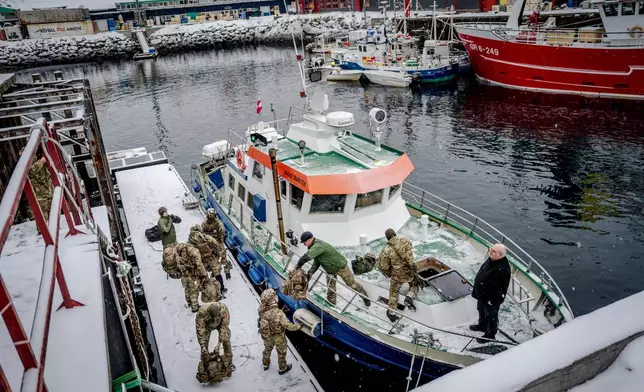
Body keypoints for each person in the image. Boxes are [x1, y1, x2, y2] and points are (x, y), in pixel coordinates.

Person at [294, 231, 370, 307]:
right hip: (330, 270)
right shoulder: (314, 247)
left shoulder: (318, 246)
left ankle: (365, 296)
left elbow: (304, 259)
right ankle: (332, 305)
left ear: (310, 239)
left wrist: (297, 267)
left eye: (304, 242)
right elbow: (317, 261)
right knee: (331, 289)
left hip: (341, 267)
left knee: (352, 284)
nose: (304, 244)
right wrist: (310, 273)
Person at [470, 243, 511, 343]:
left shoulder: (502, 269)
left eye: (493, 251)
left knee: (491, 316)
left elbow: (501, 287)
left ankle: (490, 335)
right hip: (482, 294)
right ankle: (482, 325)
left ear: (500, 255)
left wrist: (493, 300)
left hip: (490, 298)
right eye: (491, 249)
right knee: (481, 309)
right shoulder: (492, 260)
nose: (490, 252)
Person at [378, 228, 419, 322]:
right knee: (415, 284)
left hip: (397, 275)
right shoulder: (405, 241)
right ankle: (409, 296)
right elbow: (409, 254)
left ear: (387, 238)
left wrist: (390, 272)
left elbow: (384, 267)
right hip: (409, 272)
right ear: (395, 234)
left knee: (394, 292)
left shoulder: (386, 250)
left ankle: (392, 313)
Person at [258, 289, 301, 375]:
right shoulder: (279, 314)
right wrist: (299, 326)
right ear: (272, 300)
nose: (277, 297)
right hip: (278, 337)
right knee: (281, 353)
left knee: (267, 350)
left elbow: (269, 316)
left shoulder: (261, 309)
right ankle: (283, 368)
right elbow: (289, 326)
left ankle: (265, 364)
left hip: (267, 336)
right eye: (275, 296)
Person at [196, 302, 233, 378]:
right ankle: (205, 364)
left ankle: (228, 362)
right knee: (204, 346)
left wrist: (219, 343)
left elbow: (224, 328)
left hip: (220, 324)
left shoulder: (224, 310)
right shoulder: (201, 313)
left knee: (226, 339)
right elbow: (201, 331)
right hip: (207, 325)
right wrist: (203, 346)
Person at [188, 225, 227, 295]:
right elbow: (216, 245)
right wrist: (217, 255)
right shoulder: (206, 237)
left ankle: (204, 290)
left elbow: (189, 252)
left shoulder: (190, 241)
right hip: (211, 258)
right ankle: (222, 289)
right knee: (217, 274)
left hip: (201, 261)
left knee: (201, 275)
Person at [176, 242, 208, 312]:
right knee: (194, 290)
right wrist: (204, 274)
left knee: (187, 288)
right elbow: (199, 265)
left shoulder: (179, 251)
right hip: (192, 274)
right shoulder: (194, 251)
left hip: (184, 274)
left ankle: (189, 302)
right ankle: (195, 307)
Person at [202, 209, 231, 280]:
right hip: (209, 243)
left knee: (223, 258)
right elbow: (202, 233)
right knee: (212, 259)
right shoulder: (204, 224)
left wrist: (219, 239)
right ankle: (215, 272)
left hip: (218, 242)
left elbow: (222, 231)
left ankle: (227, 272)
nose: (211, 217)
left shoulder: (218, 223)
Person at [27, 152, 53, 220]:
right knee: (42, 214)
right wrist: (41, 161)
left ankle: (52, 228)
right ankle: (42, 230)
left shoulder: (39, 162)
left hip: (47, 191)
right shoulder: (26, 164)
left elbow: (47, 176)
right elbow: (31, 171)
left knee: (51, 211)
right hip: (39, 194)